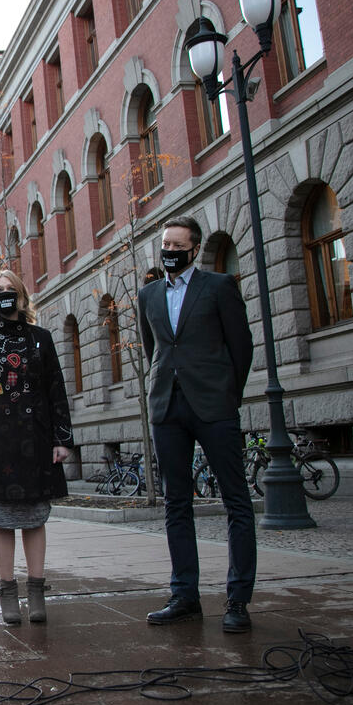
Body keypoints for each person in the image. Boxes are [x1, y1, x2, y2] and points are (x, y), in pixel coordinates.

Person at [137, 215, 255, 633]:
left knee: (236, 503)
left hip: (215, 408)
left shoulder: (220, 287)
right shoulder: (148, 294)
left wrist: (228, 396)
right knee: (176, 505)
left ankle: (237, 600)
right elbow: (154, 349)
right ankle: (184, 595)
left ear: (193, 249)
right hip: (167, 410)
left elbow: (242, 348)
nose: (168, 251)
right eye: (164, 243)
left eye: (176, 245)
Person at [0, 269, 72, 624]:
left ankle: (36, 590)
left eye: (11, 289)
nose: (6, 294)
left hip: (36, 440)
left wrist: (62, 438)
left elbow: (56, 389)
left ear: (22, 296)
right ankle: (7, 589)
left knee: (35, 516)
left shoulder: (42, 338)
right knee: (2, 517)